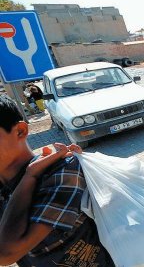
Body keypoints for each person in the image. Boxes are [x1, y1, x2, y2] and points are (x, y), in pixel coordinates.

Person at [0, 95, 114, 266]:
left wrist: (29, 177)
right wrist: (29, 176)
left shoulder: (62, 171)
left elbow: (6, 254)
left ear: (20, 131)